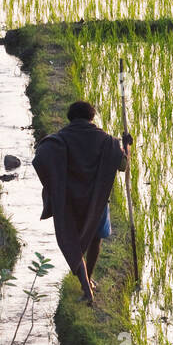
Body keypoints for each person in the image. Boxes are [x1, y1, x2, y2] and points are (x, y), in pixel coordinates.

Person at [32, 100, 132, 304]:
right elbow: (123, 165)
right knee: (96, 239)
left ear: (71, 118)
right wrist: (127, 145)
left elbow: (39, 159)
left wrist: (54, 184)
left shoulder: (60, 139)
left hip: (70, 201)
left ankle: (86, 286)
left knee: (72, 242)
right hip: (96, 201)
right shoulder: (105, 141)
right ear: (91, 117)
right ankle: (89, 279)